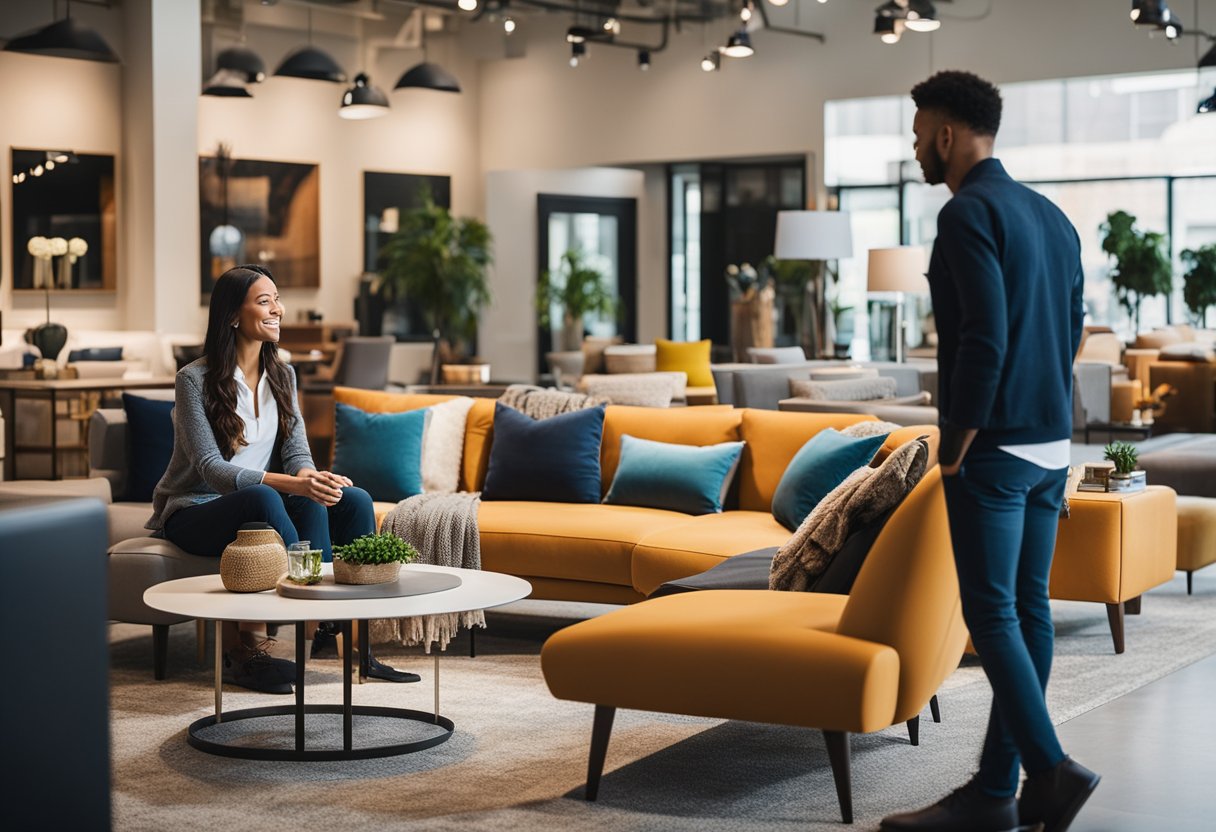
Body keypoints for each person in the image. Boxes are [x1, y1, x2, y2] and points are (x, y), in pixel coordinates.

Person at [879, 72, 1099, 832]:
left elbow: (983, 340)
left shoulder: (968, 214)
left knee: (992, 614)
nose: (913, 148)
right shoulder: (1050, 215)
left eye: (917, 133)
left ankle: (1050, 770)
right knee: (1026, 611)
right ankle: (995, 795)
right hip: (1047, 443)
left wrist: (953, 447)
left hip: (995, 449)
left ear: (947, 134)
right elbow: (1073, 330)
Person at [147, 264, 415, 693]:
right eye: (264, 301)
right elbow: (211, 471)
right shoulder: (192, 380)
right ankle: (274, 639)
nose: (278, 309)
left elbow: (296, 453)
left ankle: (350, 643)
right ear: (233, 315)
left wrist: (313, 477)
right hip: (194, 510)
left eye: (277, 299)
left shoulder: (283, 375)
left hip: (259, 501)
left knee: (353, 499)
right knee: (268, 499)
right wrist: (293, 484)